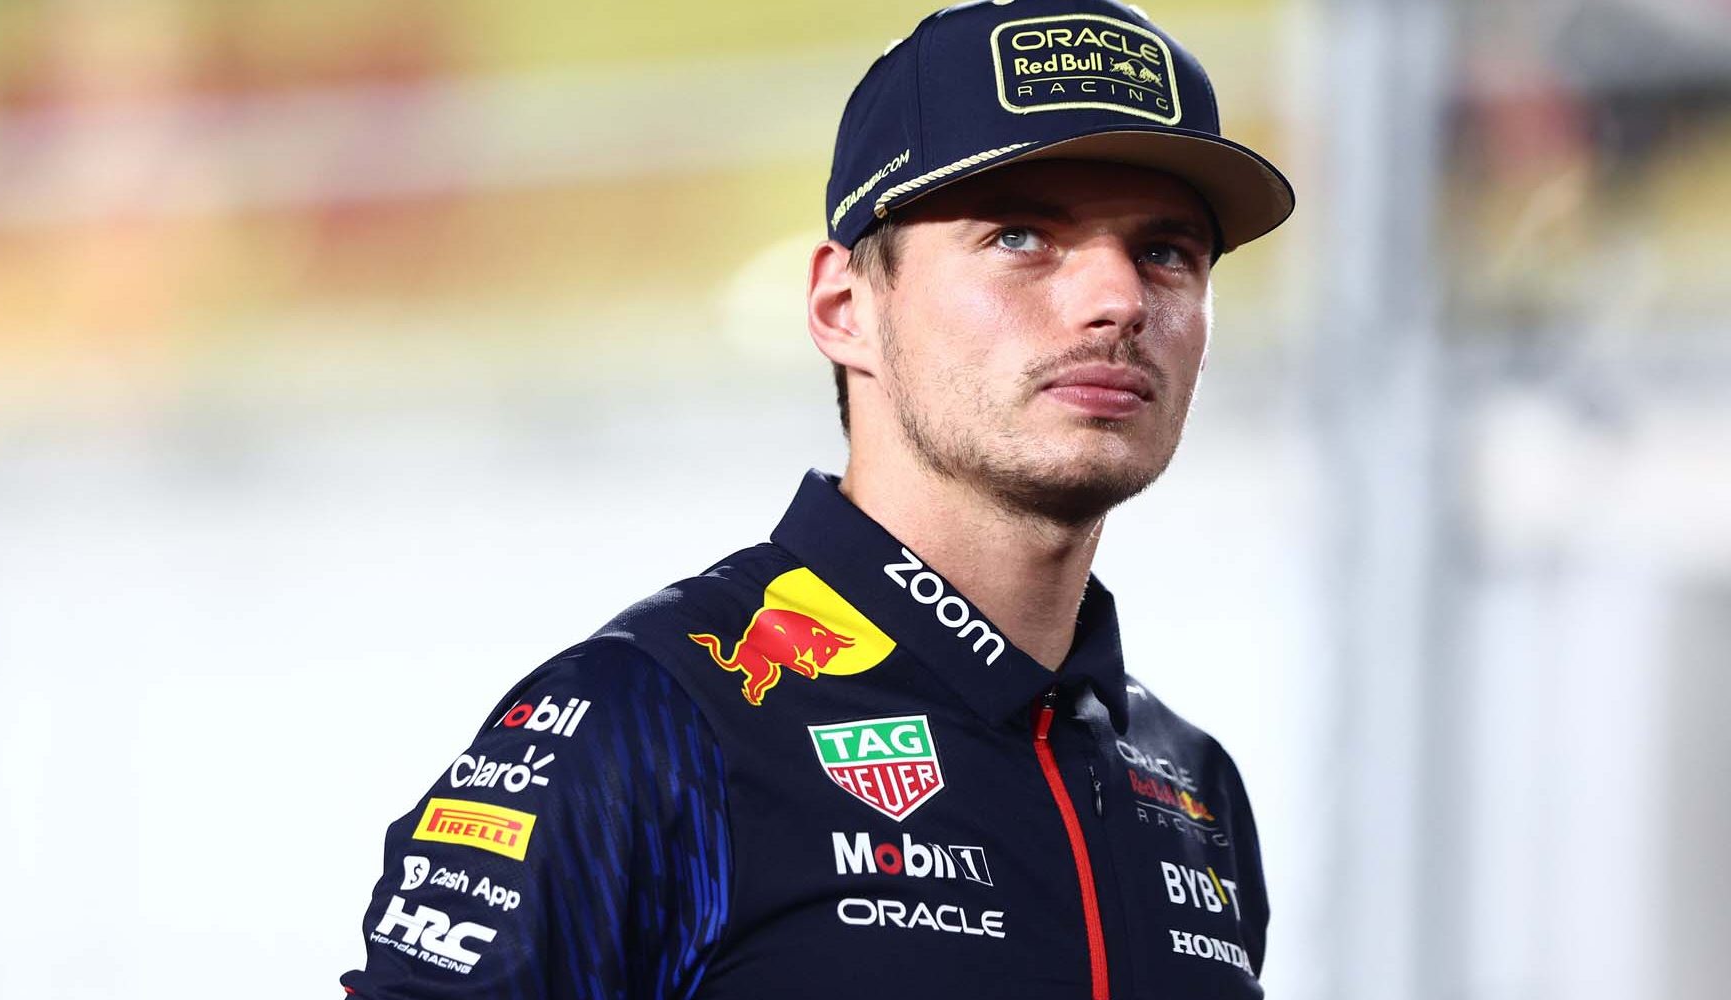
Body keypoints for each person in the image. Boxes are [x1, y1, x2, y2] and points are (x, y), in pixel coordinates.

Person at [340, 0, 1294, 996]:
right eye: (1020, 235)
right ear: (845, 309)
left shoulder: (1188, 790)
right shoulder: (654, 724)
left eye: (1168, 252)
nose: (1120, 299)